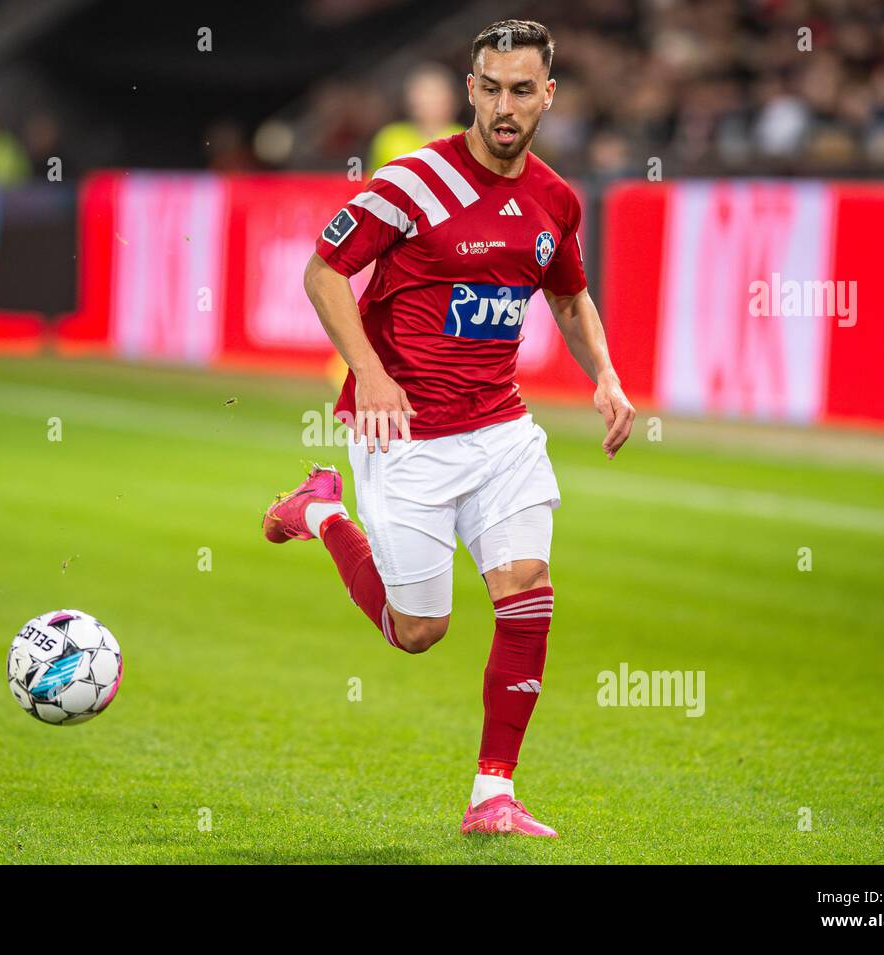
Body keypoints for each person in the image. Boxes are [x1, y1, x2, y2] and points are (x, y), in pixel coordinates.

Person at [263, 19, 635, 837]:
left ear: (549, 94)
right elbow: (324, 272)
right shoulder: (412, 182)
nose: (507, 106)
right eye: (492, 88)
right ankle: (321, 512)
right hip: (406, 434)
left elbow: (568, 296)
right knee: (418, 631)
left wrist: (603, 374)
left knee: (527, 593)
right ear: (472, 90)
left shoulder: (555, 199)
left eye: (523, 90)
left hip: (500, 429)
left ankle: (491, 793)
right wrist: (369, 371)